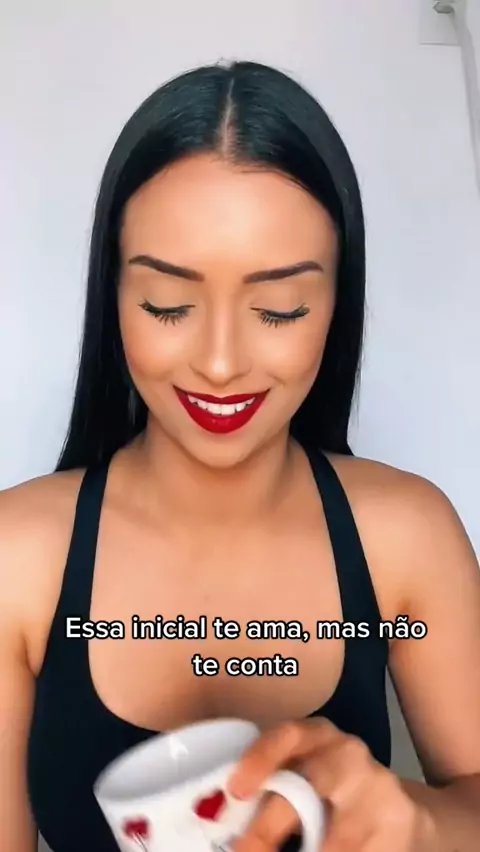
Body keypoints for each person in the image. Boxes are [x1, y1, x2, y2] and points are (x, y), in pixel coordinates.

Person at [1, 59, 479, 852]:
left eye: (279, 308)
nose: (220, 364)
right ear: (112, 296)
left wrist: (419, 818)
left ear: (337, 304)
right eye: (167, 304)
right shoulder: (18, 557)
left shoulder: (406, 534)